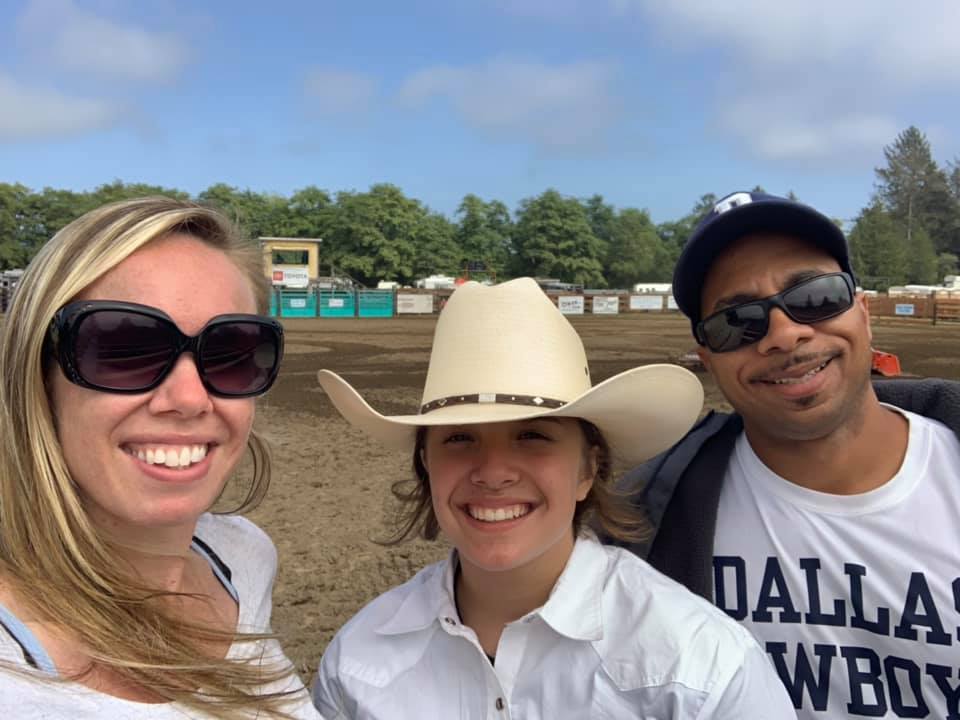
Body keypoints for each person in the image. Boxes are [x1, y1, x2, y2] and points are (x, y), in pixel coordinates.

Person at [311, 277, 797, 718]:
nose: (494, 474)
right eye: (459, 438)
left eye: (533, 437)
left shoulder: (700, 671)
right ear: (426, 467)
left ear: (589, 468)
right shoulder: (356, 665)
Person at [616, 191, 960, 719]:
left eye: (815, 297)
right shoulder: (644, 519)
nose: (784, 333)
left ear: (862, 313)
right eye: (737, 320)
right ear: (707, 358)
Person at [0, 197, 321, 718]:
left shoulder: (241, 558)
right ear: (39, 379)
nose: (190, 398)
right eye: (125, 348)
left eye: (232, 353)